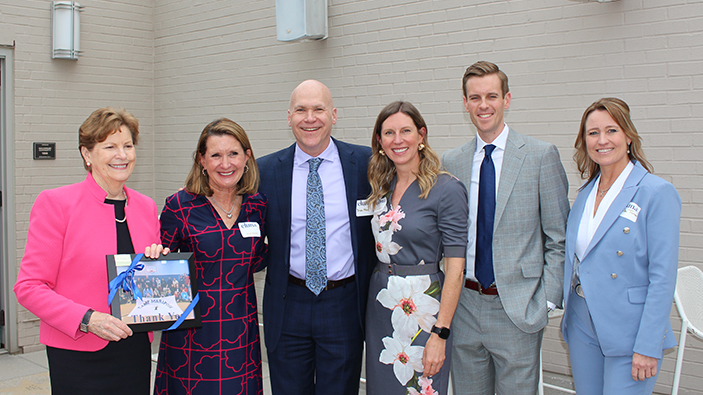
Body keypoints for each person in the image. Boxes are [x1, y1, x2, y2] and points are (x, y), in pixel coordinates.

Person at [14, 107, 165, 395]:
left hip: (133, 348)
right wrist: (87, 319)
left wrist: (158, 263)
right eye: (110, 146)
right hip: (78, 350)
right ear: (87, 154)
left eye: (128, 146)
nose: (122, 155)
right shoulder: (57, 204)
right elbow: (29, 287)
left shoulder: (146, 207)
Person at [442, 61, 570, 395]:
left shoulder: (540, 156)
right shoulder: (452, 161)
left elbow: (559, 237)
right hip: (466, 305)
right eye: (475, 98)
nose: (483, 105)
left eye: (491, 96)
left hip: (517, 308)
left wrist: (546, 302)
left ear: (507, 99)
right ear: (465, 103)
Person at [257, 79, 374, 395]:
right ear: (289, 117)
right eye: (301, 110)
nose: (310, 118)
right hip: (288, 302)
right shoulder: (264, 171)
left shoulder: (366, 164)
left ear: (333, 114)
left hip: (344, 303)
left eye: (318, 109)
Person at [561, 98, 680, 394]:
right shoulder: (586, 194)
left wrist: (648, 344)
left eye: (611, 130)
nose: (602, 140)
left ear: (628, 136)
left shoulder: (655, 192)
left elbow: (663, 277)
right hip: (582, 323)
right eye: (592, 133)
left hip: (631, 331)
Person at [153, 118, 267, 395]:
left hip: (241, 329)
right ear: (202, 161)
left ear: (247, 157)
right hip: (190, 334)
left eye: (233, 154)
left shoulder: (259, 205)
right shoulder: (179, 206)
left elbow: (262, 258)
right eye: (215, 155)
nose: (225, 164)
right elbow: (158, 264)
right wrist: (154, 255)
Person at [364, 101, 468, 395]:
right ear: (380, 142)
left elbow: (456, 268)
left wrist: (440, 332)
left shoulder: (446, 188)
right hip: (382, 307)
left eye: (406, 131)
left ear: (421, 135)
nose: (398, 140)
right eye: (389, 133)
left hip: (424, 310)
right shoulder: (381, 187)